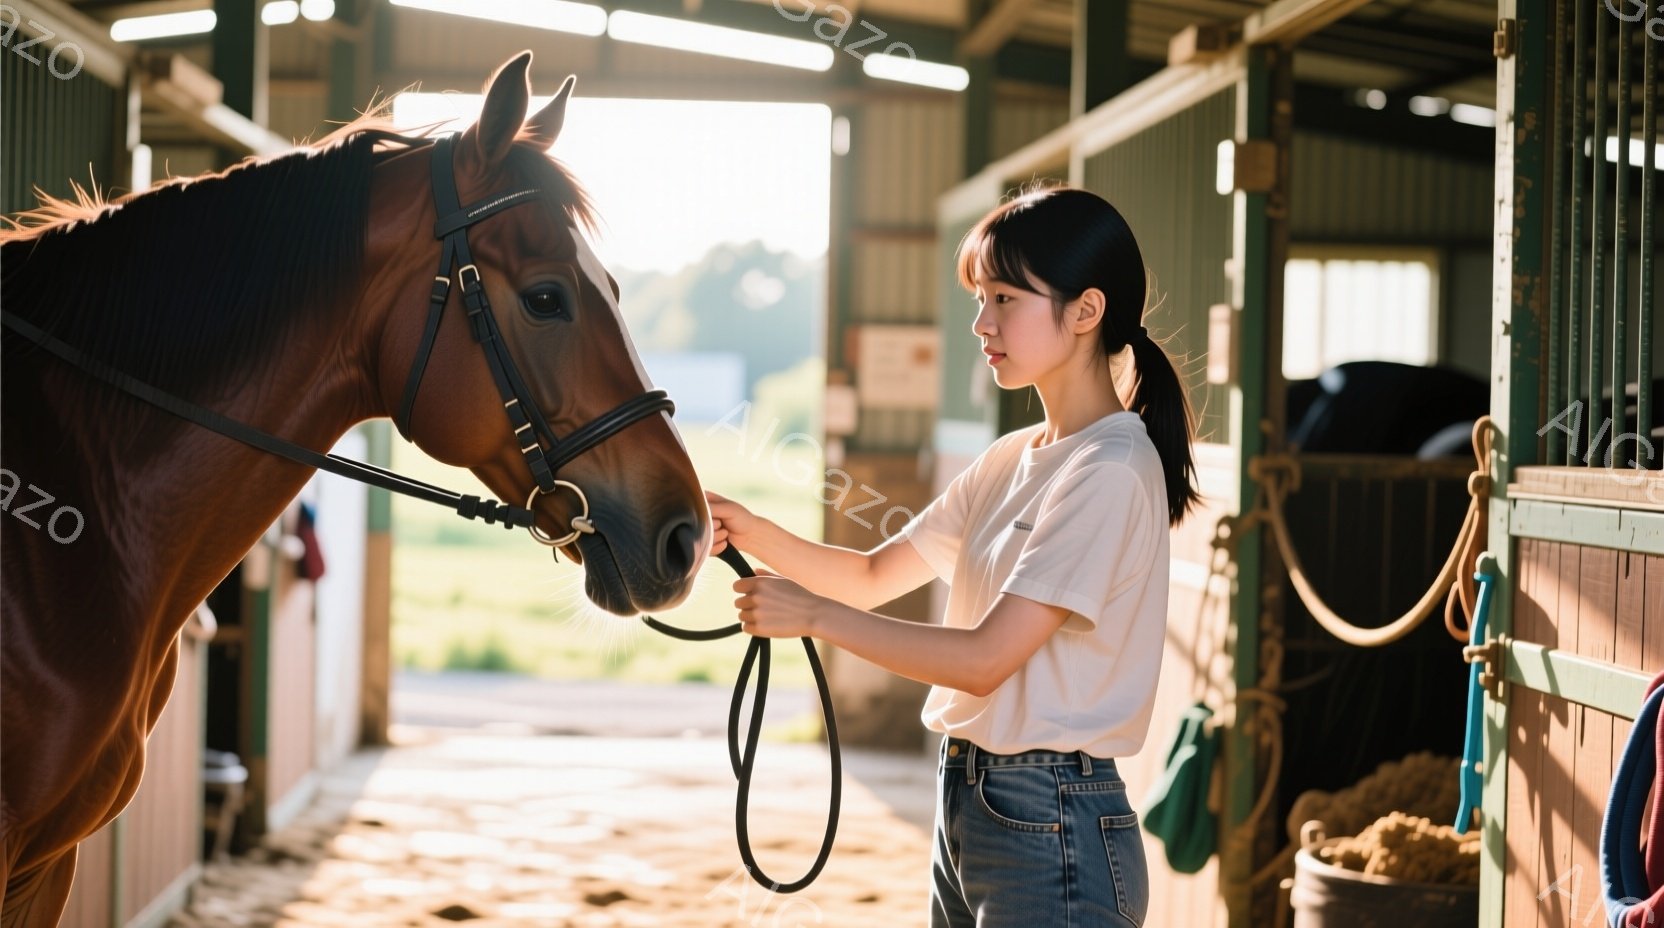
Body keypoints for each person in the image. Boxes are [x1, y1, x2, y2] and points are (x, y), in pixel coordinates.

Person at [705, 184, 1200, 927]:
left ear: (1086, 312)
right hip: (973, 797)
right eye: (981, 298)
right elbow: (876, 576)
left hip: (1052, 814)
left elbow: (982, 659)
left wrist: (809, 615)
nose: (981, 322)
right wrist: (748, 529)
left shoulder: (1110, 469)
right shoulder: (1012, 457)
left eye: (1004, 299)